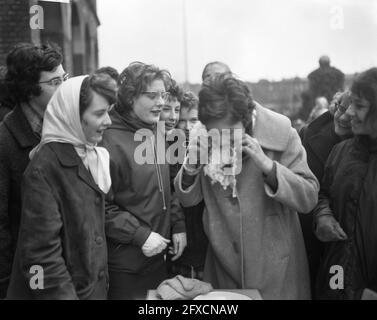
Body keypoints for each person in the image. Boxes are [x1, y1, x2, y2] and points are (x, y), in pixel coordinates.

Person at [175, 74, 319, 299]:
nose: (221, 139)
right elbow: (188, 200)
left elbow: (309, 197)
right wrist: (191, 164)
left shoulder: (282, 134)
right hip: (223, 270)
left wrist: (269, 168)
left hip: (277, 273)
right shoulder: (201, 138)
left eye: (229, 132)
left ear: (246, 119)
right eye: (215, 132)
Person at [6, 73, 116, 299]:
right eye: (99, 113)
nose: (109, 121)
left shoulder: (91, 156)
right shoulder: (44, 169)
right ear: (73, 116)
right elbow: (39, 259)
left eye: (108, 111)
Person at [102, 62, 186, 300]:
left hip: (159, 259)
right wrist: (140, 235)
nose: (161, 102)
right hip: (125, 266)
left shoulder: (156, 130)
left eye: (164, 94)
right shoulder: (106, 138)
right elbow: (99, 205)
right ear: (129, 98)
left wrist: (177, 224)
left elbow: (167, 184)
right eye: (152, 95)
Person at [0, 43, 65, 298]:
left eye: (65, 78)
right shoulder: (4, 143)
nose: (64, 87)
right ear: (30, 90)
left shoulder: (65, 133)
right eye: (55, 81)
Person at [314, 68, 377, 299]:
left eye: (359, 106)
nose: (350, 112)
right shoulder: (340, 152)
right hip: (336, 276)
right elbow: (323, 194)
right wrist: (323, 216)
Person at [299, 91, 352, 298]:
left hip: (352, 248)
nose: (343, 116)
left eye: (353, 109)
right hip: (315, 245)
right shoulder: (309, 135)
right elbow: (310, 186)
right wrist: (322, 213)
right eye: (340, 107)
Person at [171, 92, 208, 280]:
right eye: (182, 121)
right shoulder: (168, 152)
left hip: (208, 245)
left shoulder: (211, 149)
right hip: (179, 244)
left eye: (193, 120)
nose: (187, 127)